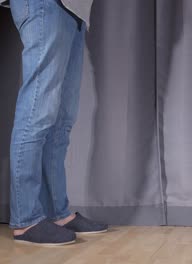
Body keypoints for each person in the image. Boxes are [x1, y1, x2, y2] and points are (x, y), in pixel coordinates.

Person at [0, 0, 107, 245]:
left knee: (61, 120)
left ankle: (58, 213)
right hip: (46, 3)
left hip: (73, 9)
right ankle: (26, 220)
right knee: (37, 113)